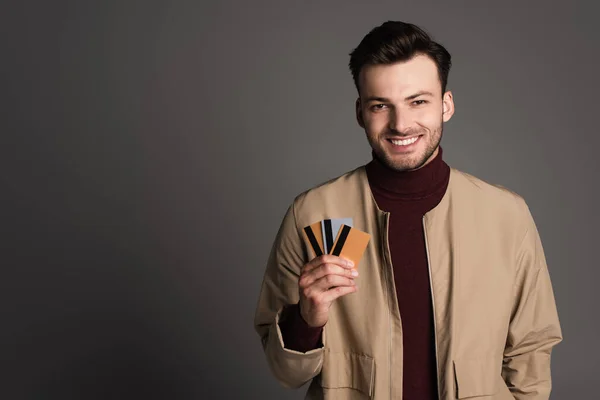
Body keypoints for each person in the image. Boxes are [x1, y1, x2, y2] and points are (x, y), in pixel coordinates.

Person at [254, 21, 562, 400]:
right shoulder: (313, 212)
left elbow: (530, 351)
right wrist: (306, 320)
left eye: (418, 101)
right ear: (360, 112)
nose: (401, 124)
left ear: (446, 105)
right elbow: (284, 371)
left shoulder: (507, 215)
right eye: (381, 105)